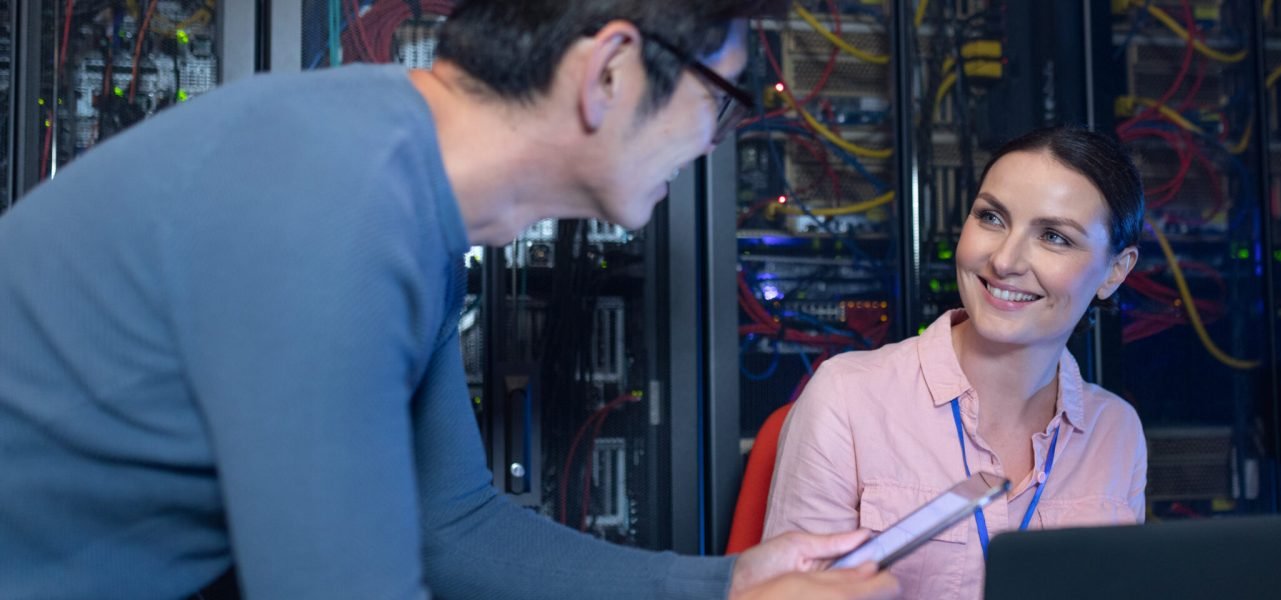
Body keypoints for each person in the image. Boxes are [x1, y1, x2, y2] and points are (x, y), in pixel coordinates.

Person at [0, 1, 897, 598]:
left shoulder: (391, 182)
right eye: (721, 99)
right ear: (610, 74)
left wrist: (726, 584)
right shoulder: (336, 198)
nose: (713, 141)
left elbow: (452, 525)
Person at [762, 125, 1149, 599]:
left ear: (1115, 271)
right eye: (991, 218)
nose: (1005, 260)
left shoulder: (1118, 432)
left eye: (1053, 236)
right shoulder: (846, 398)